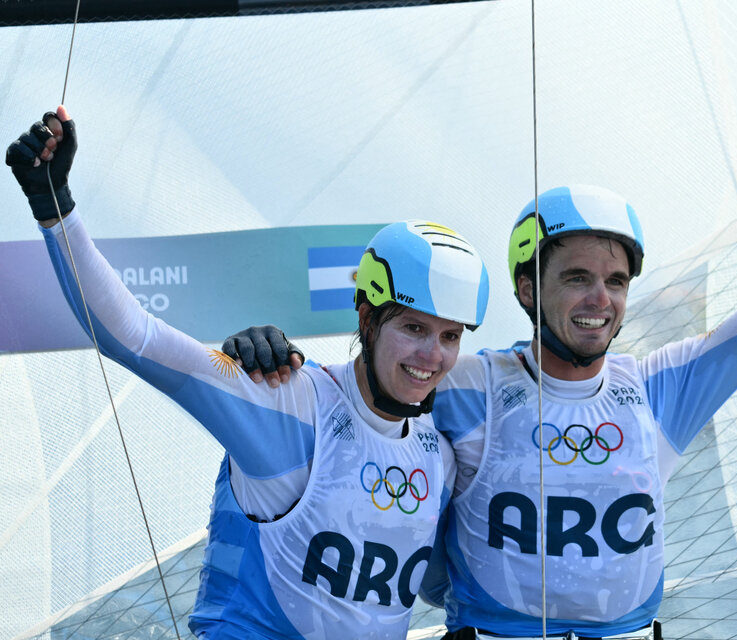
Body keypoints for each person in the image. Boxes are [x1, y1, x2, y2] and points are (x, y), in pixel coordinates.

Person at [222, 106, 737, 639]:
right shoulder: (469, 384)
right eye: (576, 278)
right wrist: (262, 359)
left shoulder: (663, 387)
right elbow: (359, 393)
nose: (599, 299)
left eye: (616, 281)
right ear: (529, 289)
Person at [6, 105, 491, 640]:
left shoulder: (438, 455)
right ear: (366, 316)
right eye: (414, 329)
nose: (433, 355)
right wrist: (55, 206)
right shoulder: (287, 402)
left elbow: (441, 584)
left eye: (450, 336)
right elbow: (133, 336)